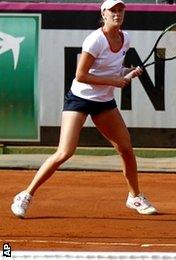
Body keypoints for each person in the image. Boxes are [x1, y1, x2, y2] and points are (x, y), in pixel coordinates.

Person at [10, 0, 157, 218]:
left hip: (104, 102)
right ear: (103, 14)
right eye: (112, 11)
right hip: (80, 99)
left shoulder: (126, 39)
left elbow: (111, 68)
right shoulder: (95, 40)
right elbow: (81, 75)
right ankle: (26, 194)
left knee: (126, 149)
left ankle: (134, 196)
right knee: (65, 152)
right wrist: (114, 82)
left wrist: (128, 71)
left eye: (120, 10)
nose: (117, 14)